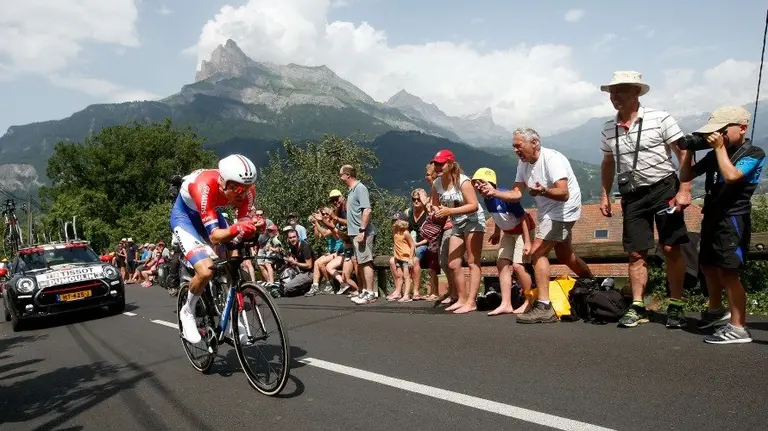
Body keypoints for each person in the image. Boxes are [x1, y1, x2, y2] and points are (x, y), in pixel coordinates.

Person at [598, 70, 691, 329]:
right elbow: (608, 162)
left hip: (665, 189)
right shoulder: (608, 127)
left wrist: (684, 189)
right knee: (636, 252)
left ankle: (676, 305)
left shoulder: (660, 118)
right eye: (612, 92)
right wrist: (605, 193)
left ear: (637, 92)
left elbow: (683, 153)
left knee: (672, 248)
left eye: (621, 90)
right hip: (632, 196)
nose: (614, 96)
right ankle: (638, 306)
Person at [479, 128, 593, 324]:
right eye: (513, 146)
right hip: (547, 211)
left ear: (534, 143)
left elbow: (563, 193)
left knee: (537, 253)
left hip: (564, 209)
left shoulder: (552, 160)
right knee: (564, 254)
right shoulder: (523, 164)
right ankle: (591, 281)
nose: (515, 150)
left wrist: (543, 191)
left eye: (518, 146)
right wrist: (494, 192)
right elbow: (516, 193)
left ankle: (544, 306)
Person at [680, 105, 765, 344]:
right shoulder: (717, 152)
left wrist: (719, 150)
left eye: (722, 131)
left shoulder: (754, 153)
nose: (717, 136)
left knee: (729, 272)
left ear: (743, 128)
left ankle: (738, 327)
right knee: (707, 265)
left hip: (733, 219)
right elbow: (685, 177)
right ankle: (715, 310)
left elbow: (732, 176)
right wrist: (688, 151)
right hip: (713, 216)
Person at [171, 154, 260, 343]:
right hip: (185, 218)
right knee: (205, 271)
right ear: (222, 181)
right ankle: (187, 311)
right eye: (235, 187)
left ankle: (228, 317)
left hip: (211, 212)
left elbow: (241, 229)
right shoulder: (205, 186)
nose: (241, 194)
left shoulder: (247, 191)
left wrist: (252, 229)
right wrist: (238, 228)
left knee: (233, 259)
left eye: (246, 188)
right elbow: (214, 236)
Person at [472, 167, 534, 316]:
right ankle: (506, 303)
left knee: (518, 266)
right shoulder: (487, 200)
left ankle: (530, 300)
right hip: (508, 232)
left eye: (481, 182)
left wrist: (527, 242)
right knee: (501, 263)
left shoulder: (505, 196)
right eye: (475, 183)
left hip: (522, 232)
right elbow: (497, 216)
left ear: (491, 184)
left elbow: (523, 218)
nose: (478, 186)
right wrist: (496, 232)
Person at [430, 149, 486, 314]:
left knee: (472, 261)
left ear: (450, 164)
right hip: (456, 222)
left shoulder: (463, 181)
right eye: (436, 164)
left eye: (441, 164)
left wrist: (449, 212)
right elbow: (434, 202)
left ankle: (471, 301)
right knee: (453, 264)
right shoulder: (437, 183)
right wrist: (436, 211)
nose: (438, 167)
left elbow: (473, 205)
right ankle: (461, 298)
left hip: (473, 221)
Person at [339, 165, 378, 305]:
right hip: (354, 233)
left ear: (348, 175)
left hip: (362, 233)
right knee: (361, 262)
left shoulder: (360, 188)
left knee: (366, 262)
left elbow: (367, 210)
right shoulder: (351, 191)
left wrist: (362, 230)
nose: (340, 177)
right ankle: (365, 292)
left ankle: (371, 293)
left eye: (341, 174)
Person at [389, 211, 416, 302]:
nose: (394, 223)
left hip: (406, 258)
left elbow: (412, 245)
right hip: (398, 258)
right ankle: (399, 293)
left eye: (396, 221)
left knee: (406, 276)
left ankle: (407, 295)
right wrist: (395, 256)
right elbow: (396, 245)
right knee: (399, 275)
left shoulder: (405, 233)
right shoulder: (395, 232)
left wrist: (410, 259)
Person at [281, 227, 314, 296]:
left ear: (298, 237)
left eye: (294, 237)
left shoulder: (305, 247)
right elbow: (292, 260)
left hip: (310, 273)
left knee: (287, 288)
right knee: (282, 281)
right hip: (300, 271)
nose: (292, 239)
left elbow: (309, 265)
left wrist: (295, 263)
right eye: (290, 238)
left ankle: (306, 287)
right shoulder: (293, 248)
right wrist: (287, 260)